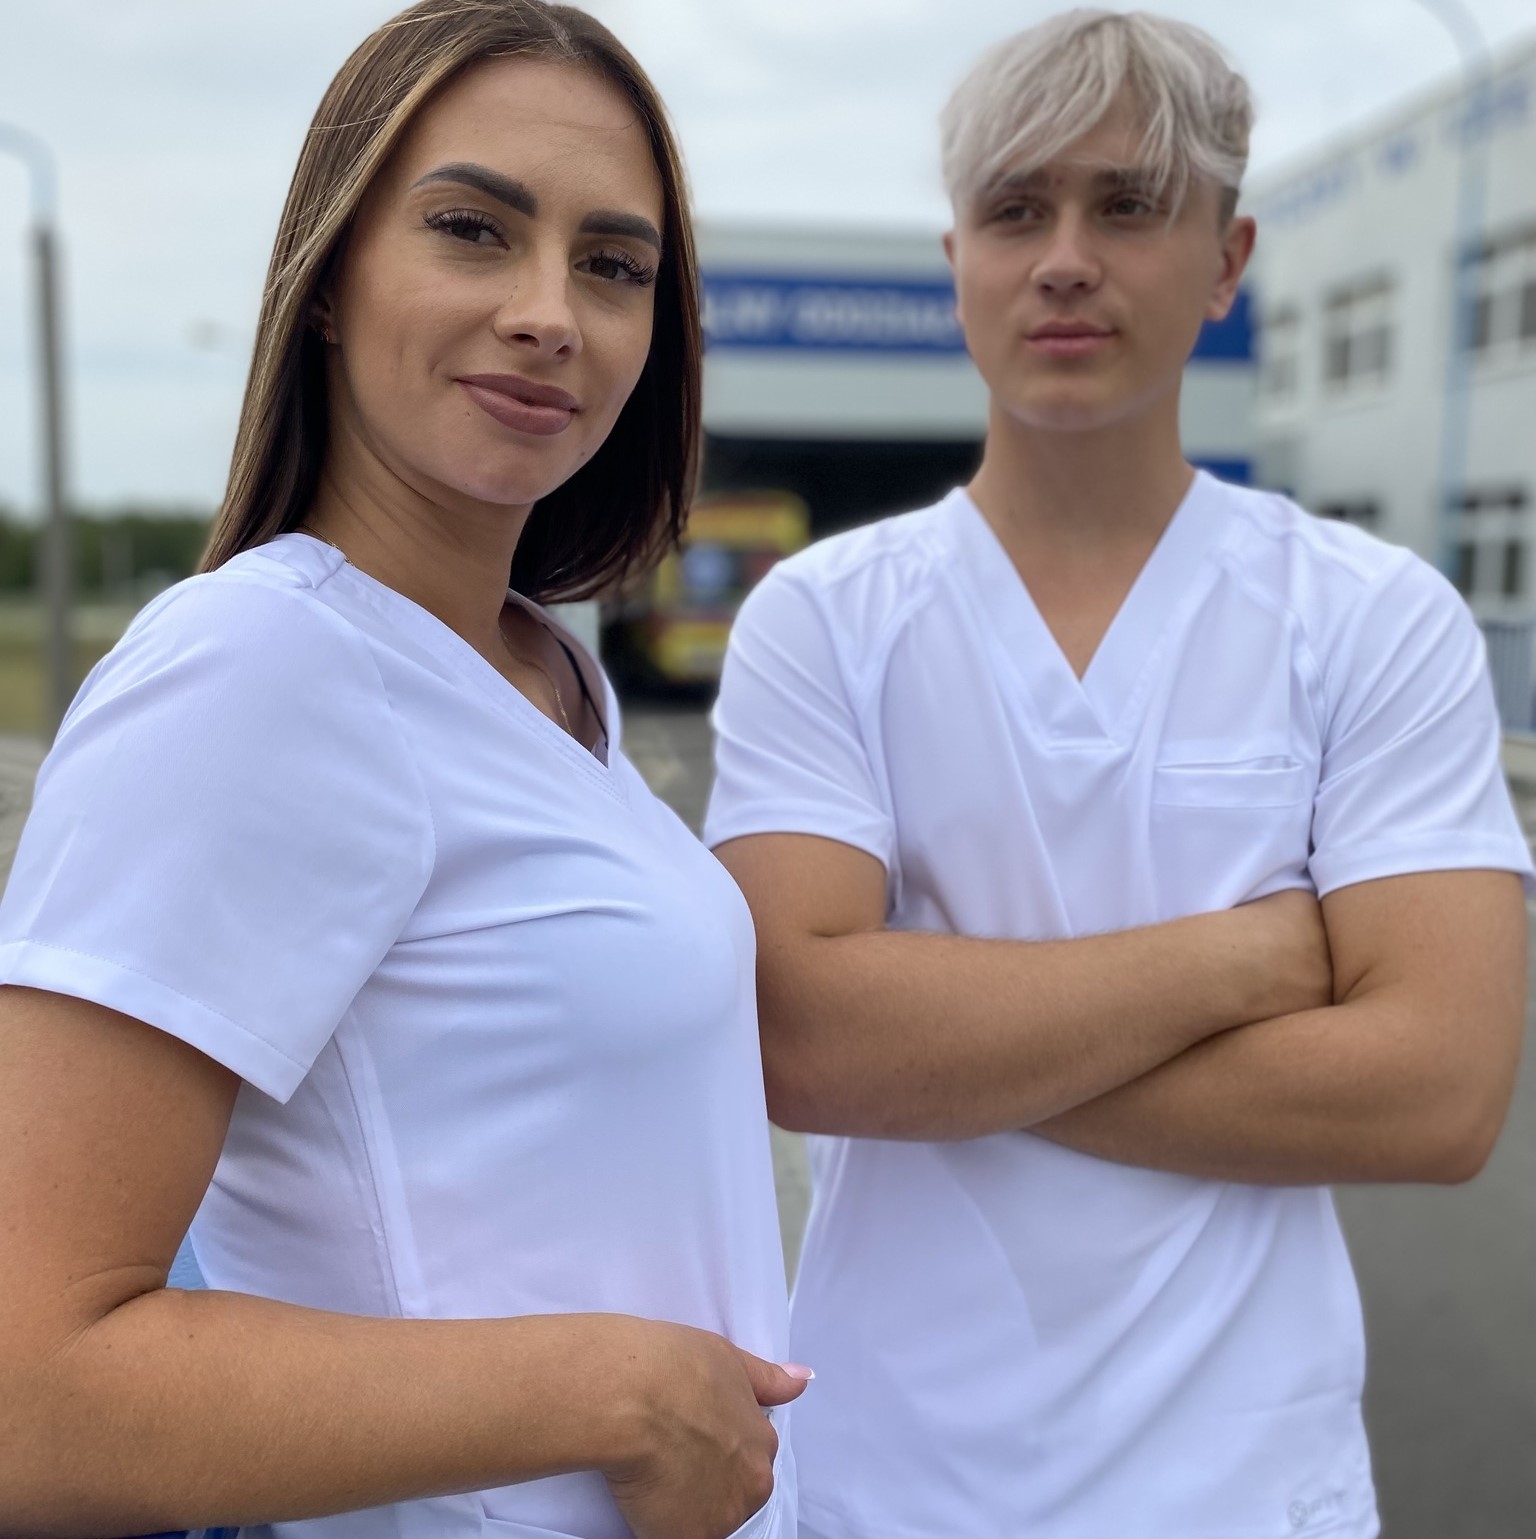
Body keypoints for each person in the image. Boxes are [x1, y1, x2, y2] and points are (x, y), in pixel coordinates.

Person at [705, 10, 1530, 1539]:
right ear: (958, 258)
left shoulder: (1371, 616)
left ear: (1228, 259)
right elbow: (803, 1042)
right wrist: (1251, 958)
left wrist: (942, 1043)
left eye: (1130, 205)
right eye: (1017, 210)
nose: (1066, 259)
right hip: (891, 1484)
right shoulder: (824, 621)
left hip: (1250, 1492)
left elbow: (1437, 1094)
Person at [0, 5, 808, 1538]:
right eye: (471, 229)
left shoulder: (544, 674)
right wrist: (610, 1395)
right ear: (327, 277)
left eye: (614, 265)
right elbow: (24, 1396)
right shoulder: (258, 670)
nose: (549, 313)